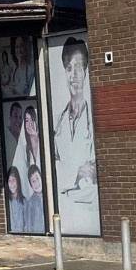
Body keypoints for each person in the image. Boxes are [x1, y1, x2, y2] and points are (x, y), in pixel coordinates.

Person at [52, 38, 97, 231]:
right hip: (65, 215)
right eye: (69, 68)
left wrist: (68, 181)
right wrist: (77, 173)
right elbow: (53, 170)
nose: (74, 74)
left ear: (86, 72)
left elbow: (93, 180)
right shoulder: (58, 122)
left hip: (90, 214)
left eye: (79, 67)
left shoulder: (93, 119)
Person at [23, 166, 46, 233]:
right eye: (33, 181)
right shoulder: (31, 202)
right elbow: (29, 224)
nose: (36, 183)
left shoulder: (48, 196)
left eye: (37, 178)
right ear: (31, 185)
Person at [5, 166, 26, 232]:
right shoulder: (7, 202)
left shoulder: (25, 202)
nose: (11, 184)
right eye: (9, 180)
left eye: (13, 180)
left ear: (18, 181)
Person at [23, 104, 41, 171]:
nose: (30, 124)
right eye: (27, 120)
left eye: (32, 119)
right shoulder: (25, 150)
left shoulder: (45, 142)